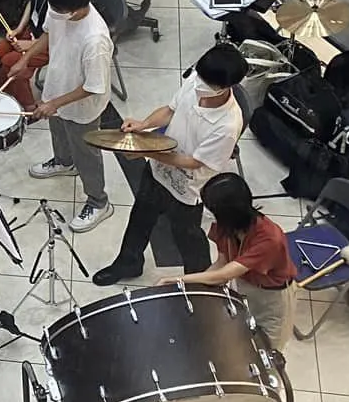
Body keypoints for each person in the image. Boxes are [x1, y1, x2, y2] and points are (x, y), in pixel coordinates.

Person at [92, 44, 248, 284]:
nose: (199, 84)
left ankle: (199, 282)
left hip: (188, 189)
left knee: (187, 237)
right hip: (158, 171)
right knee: (140, 217)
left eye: (206, 82)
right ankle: (129, 262)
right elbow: (169, 110)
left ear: (224, 87)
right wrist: (144, 125)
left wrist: (148, 151)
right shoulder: (198, 80)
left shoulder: (227, 125)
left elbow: (194, 162)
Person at [17, 0, 115, 233]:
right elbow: (48, 34)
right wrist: (25, 59)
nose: (55, 14)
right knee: (58, 131)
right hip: (57, 86)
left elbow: (93, 86)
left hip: (82, 106)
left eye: (60, 11)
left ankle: (98, 201)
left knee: (86, 153)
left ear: (79, 9)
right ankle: (63, 161)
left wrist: (55, 104)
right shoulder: (60, 9)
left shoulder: (95, 40)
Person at [183, 173, 296, 351]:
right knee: (241, 340)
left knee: (269, 350)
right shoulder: (225, 227)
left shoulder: (269, 239)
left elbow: (224, 275)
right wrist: (190, 287)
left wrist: (177, 280)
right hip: (244, 286)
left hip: (271, 298)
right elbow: (222, 264)